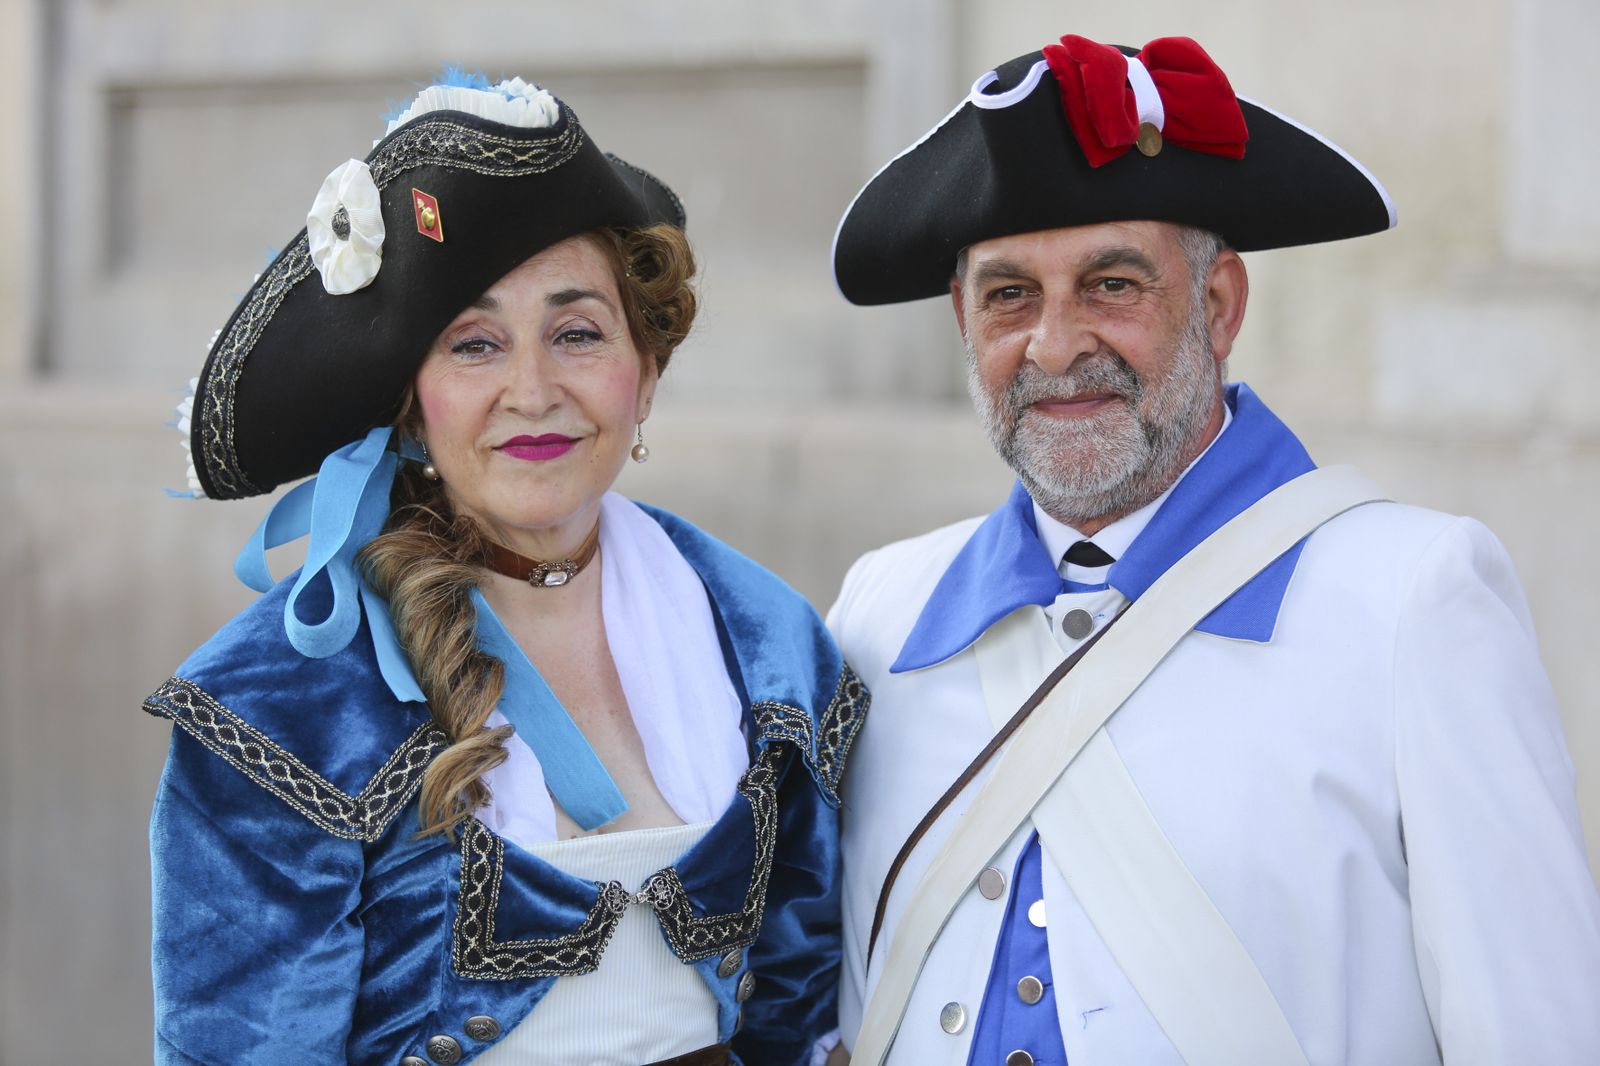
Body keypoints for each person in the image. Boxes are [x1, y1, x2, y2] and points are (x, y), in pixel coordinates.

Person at [824, 33, 1600, 1066]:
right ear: (963, 321)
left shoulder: (1415, 598)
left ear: (1220, 305)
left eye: (1110, 283)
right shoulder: (879, 612)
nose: (1054, 346)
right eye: (1009, 294)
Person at [144, 72, 865, 1066]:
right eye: (474, 344)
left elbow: (801, 1011)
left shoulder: (768, 645)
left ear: (644, 374)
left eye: (577, 332)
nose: (533, 391)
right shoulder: (282, 703)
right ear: (411, 402)